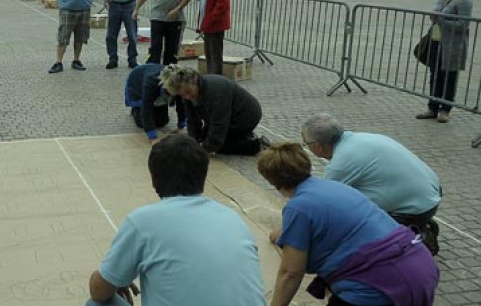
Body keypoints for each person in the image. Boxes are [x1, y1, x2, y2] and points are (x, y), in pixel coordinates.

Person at [87, 135, 266, 306]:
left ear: (154, 179)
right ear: (203, 175)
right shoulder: (233, 218)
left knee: (96, 303)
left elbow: (99, 291)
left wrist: (116, 278)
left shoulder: (143, 222)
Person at [258, 143, 439, 306]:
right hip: (420, 267)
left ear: (272, 181)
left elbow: (291, 272)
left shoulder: (298, 207)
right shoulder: (335, 187)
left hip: (380, 284)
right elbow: (336, 223)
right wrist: (287, 234)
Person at [300, 113, 442, 254]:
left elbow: (321, 203)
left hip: (415, 210)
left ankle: (416, 237)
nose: (306, 147)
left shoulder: (341, 163)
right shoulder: (364, 138)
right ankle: (417, 225)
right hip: (432, 193)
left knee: (345, 217)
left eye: (306, 144)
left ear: (317, 146)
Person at [160, 66, 267, 155]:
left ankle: (256, 145)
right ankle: (241, 137)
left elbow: (219, 124)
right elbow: (192, 120)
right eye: (182, 95)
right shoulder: (187, 94)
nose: (187, 97)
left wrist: (204, 150)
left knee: (219, 146)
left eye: (188, 91)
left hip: (246, 117)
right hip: (224, 116)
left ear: (194, 81)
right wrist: (193, 143)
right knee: (204, 137)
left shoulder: (215, 91)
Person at [416, 0, 472, 123]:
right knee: (435, 75)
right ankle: (432, 107)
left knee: (449, 77)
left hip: (453, 44)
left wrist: (440, 19)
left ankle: (445, 109)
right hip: (436, 40)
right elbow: (437, 11)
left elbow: (463, 25)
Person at [124, 63, 185, 144]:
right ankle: (135, 109)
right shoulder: (151, 82)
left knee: (162, 122)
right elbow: (146, 107)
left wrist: (181, 126)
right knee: (141, 123)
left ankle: (155, 108)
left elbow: (182, 104)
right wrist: (152, 137)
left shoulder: (180, 83)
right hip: (138, 81)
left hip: (158, 88)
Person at [198, 0, 231, 75]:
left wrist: (210, 19)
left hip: (215, 24)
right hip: (208, 23)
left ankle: (216, 79)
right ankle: (211, 77)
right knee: (209, 54)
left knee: (215, 55)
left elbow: (222, 4)